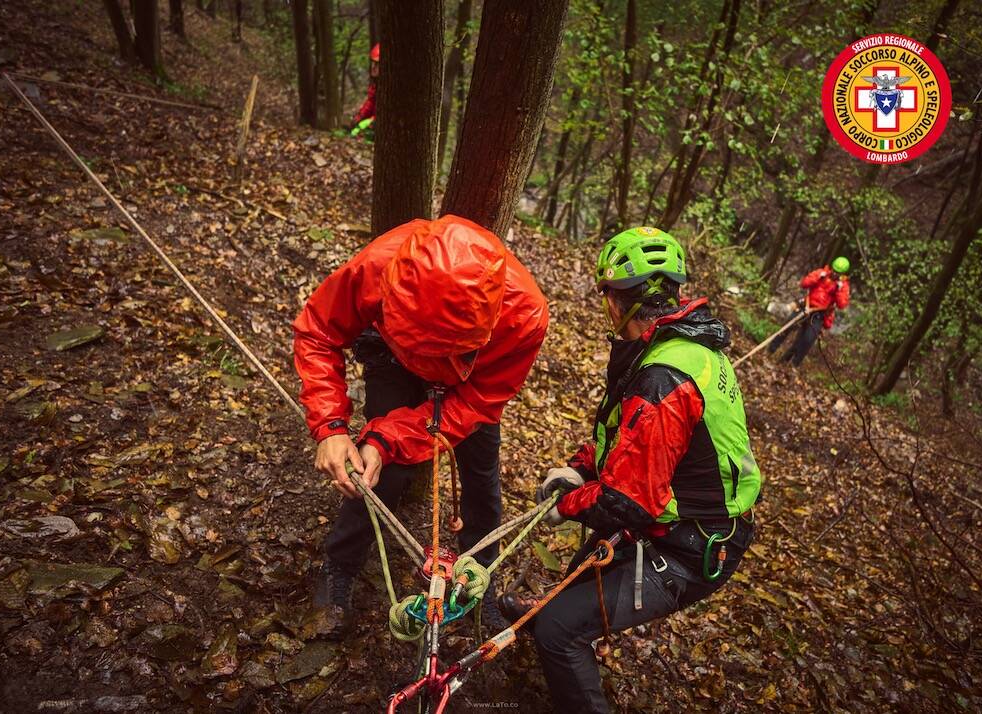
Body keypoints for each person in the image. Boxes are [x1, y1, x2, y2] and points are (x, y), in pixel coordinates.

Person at [502, 227, 759, 714]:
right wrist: (581, 468)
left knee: (560, 633)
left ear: (618, 302)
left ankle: (555, 629)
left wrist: (566, 505)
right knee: (584, 568)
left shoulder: (664, 376)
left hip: (690, 549)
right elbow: (632, 439)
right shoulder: (687, 347)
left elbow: (628, 502)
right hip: (690, 526)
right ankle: (551, 615)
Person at [293, 214, 549, 637]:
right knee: (379, 473)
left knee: (482, 480)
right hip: (392, 354)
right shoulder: (377, 267)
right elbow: (320, 331)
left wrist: (390, 438)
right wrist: (331, 426)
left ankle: (479, 576)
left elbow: (477, 403)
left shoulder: (523, 315)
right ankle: (339, 565)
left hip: (470, 382)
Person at [768, 256, 851, 367]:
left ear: (843, 274)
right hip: (806, 306)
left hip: (819, 315)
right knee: (787, 327)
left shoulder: (843, 286)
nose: (835, 274)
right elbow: (804, 283)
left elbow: (842, 304)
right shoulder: (821, 273)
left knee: (807, 340)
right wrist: (817, 277)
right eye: (834, 271)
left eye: (838, 273)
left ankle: (791, 364)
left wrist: (839, 290)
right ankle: (770, 350)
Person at [350, 43, 380, 129]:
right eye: (373, 63)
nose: (373, 67)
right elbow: (371, 103)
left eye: (377, 64)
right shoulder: (375, 84)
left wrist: (373, 120)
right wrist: (360, 116)